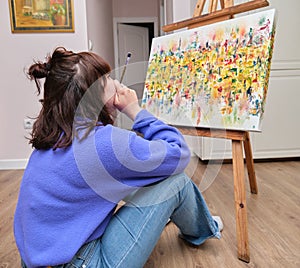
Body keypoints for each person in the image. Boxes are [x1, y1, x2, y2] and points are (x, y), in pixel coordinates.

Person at [14, 47, 223, 268]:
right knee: (177, 182)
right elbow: (179, 153)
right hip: (85, 263)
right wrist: (135, 110)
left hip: (37, 260)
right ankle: (202, 230)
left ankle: (172, 216)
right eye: (107, 79)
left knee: (140, 176)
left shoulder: (50, 140)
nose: (114, 82)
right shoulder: (105, 143)